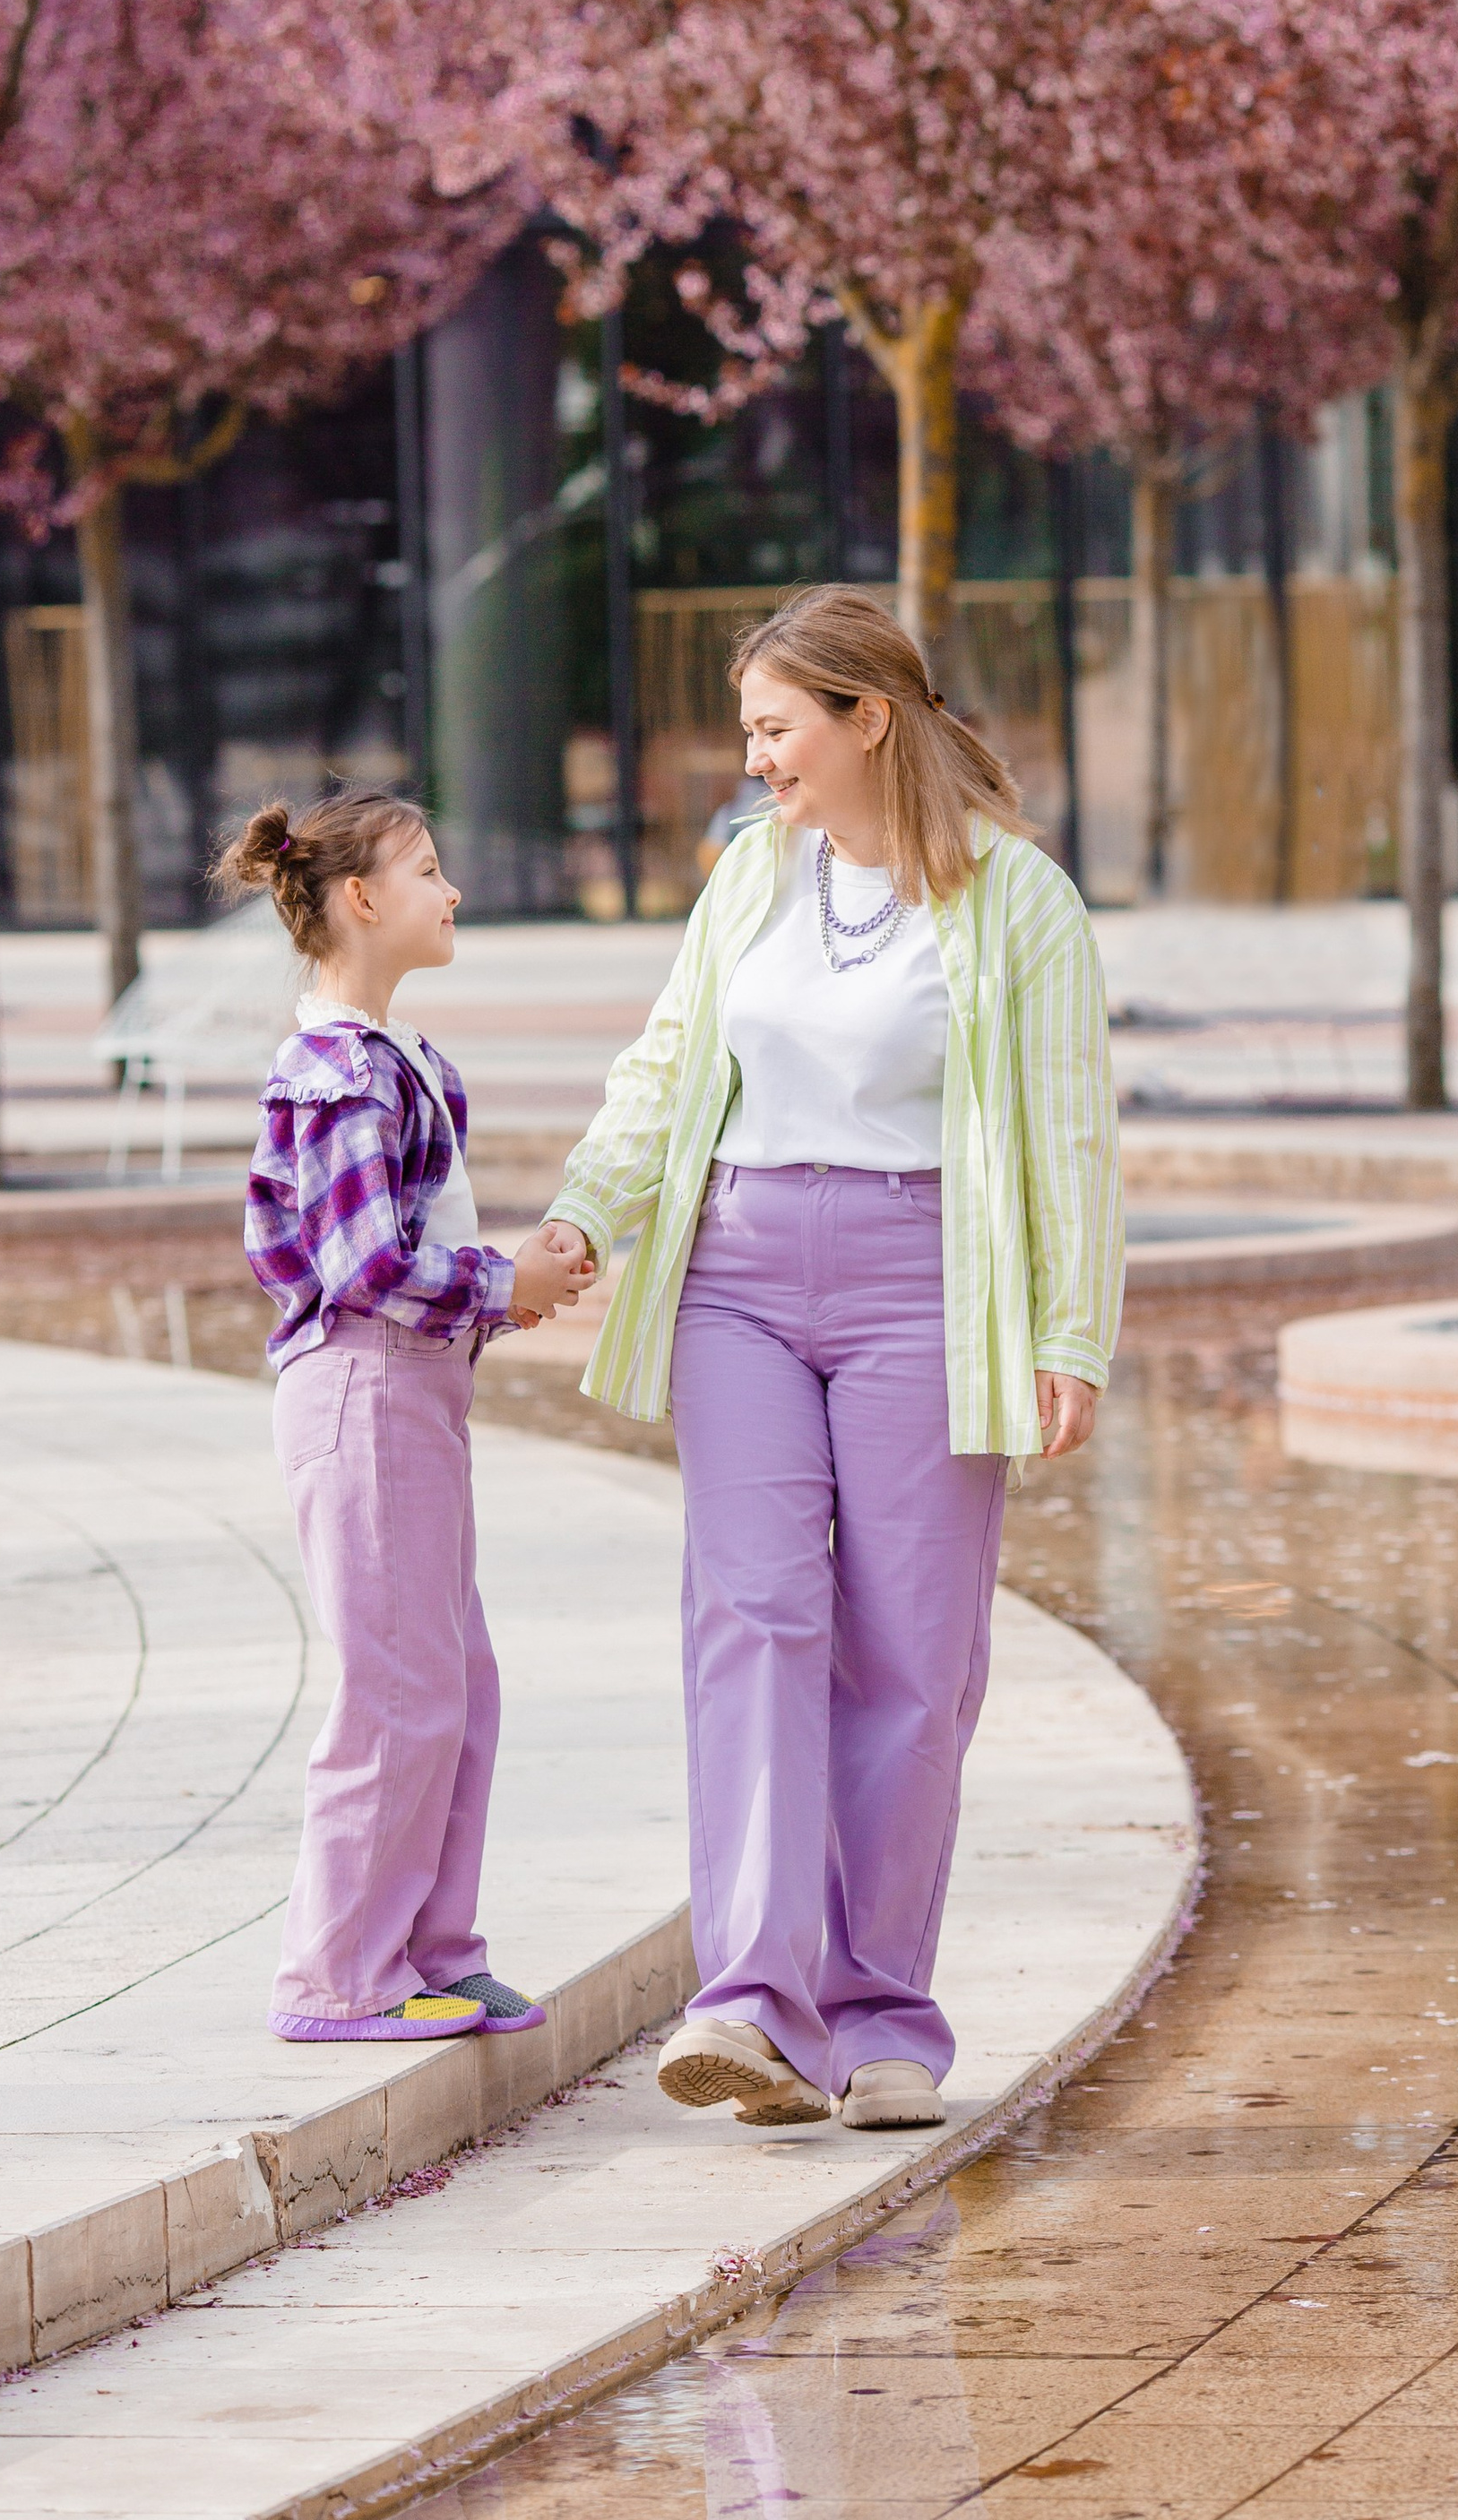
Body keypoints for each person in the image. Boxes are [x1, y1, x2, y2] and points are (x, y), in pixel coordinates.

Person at [537, 586, 1124, 2134]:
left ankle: (879, 2021)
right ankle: (749, 1999)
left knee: (911, 1660)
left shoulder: (1019, 900)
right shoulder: (749, 879)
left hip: (921, 1284)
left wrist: (1071, 1331)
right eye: (750, 731)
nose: (755, 759)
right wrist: (591, 1212)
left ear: (871, 717)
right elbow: (669, 1068)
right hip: (739, 1274)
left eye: (777, 727)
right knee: (754, 1614)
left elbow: (1070, 1133)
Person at [226, 789, 588, 2044]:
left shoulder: (395, 1056)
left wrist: (510, 1292)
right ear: (362, 902)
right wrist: (505, 1283)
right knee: (398, 1694)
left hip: (414, 1394)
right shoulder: (332, 1069)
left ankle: (433, 1948)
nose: (451, 890)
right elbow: (366, 1267)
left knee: (458, 1687)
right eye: (428, 871)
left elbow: (410, 1247)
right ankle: (335, 1978)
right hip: (363, 1388)